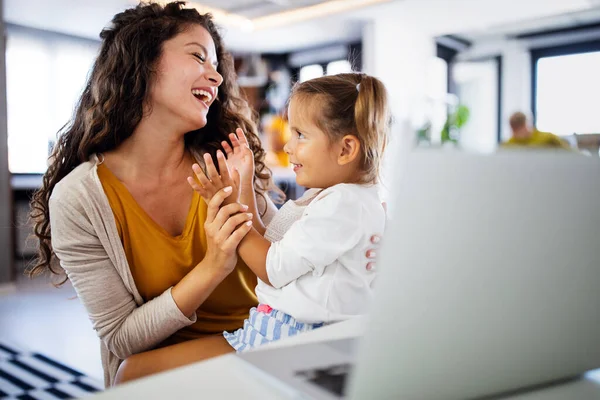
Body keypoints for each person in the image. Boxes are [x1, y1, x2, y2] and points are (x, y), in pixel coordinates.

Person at [28, 2, 380, 387]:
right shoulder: (79, 200)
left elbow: (285, 254)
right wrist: (213, 266)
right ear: (141, 64)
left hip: (264, 338)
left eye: (216, 65)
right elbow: (121, 338)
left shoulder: (225, 164)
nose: (216, 78)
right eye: (198, 57)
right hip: (183, 363)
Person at [187, 73, 389, 354]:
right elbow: (267, 242)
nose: (287, 145)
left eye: (301, 135)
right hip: (281, 328)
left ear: (345, 149)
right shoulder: (335, 196)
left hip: (291, 336)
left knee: (134, 372)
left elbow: (270, 267)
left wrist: (227, 204)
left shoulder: (342, 204)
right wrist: (244, 182)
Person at [504, 111, 571, 149]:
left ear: (526, 125)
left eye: (518, 129)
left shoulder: (548, 138)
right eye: (513, 130)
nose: (514, 133)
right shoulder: (509, 144)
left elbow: (570, 153)